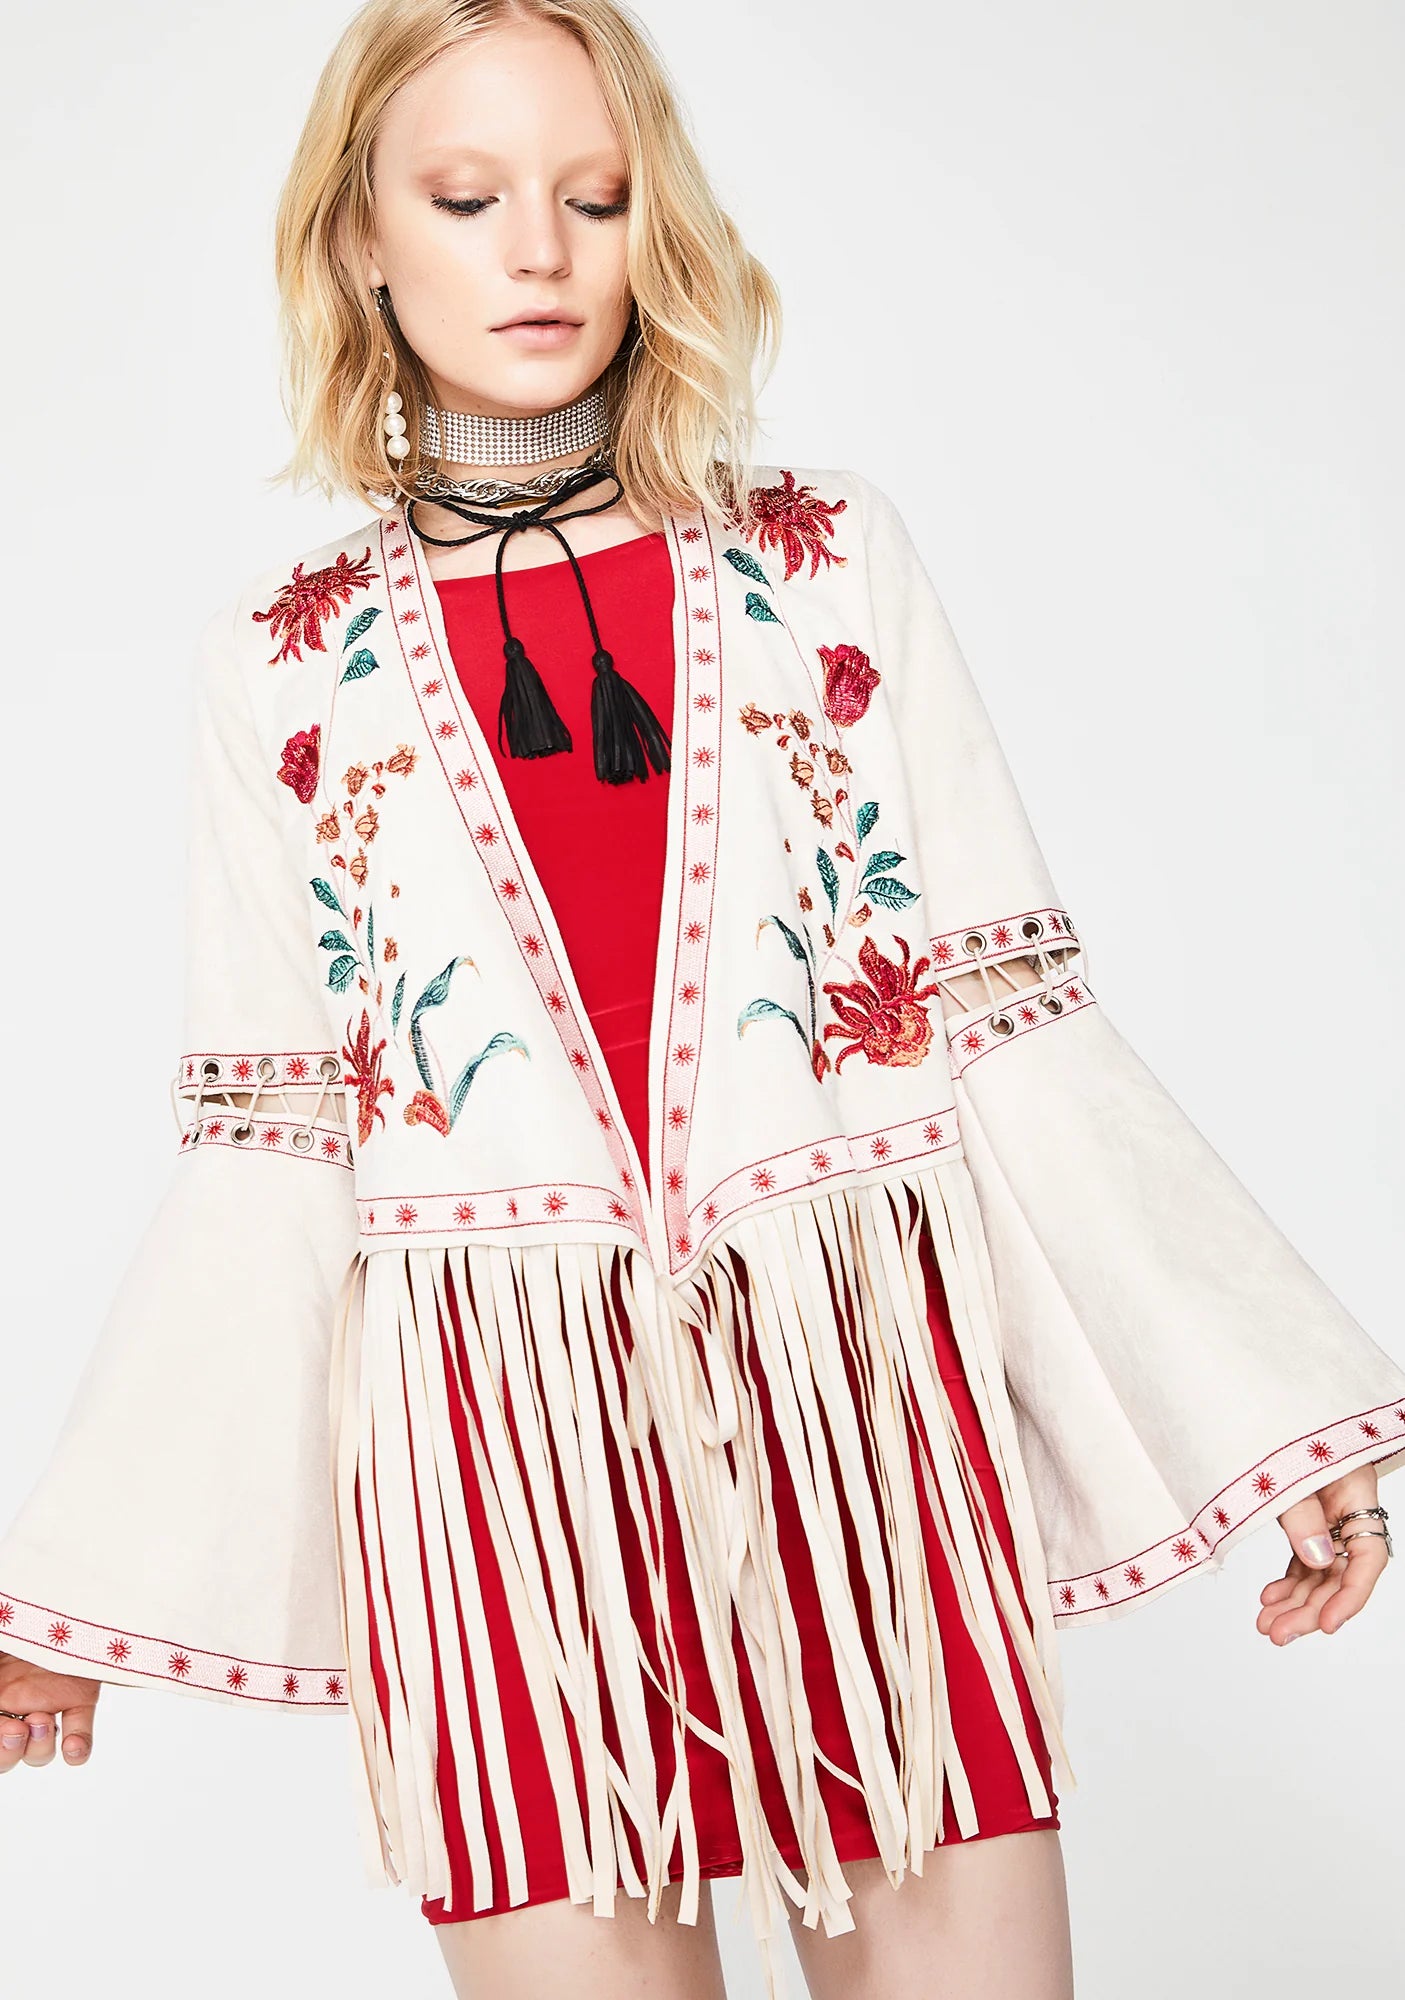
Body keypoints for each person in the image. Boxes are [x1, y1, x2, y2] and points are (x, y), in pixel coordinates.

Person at [2, 6, 1400, 2000]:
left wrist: (1269, 1409)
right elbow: (273, 1146)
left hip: (856, 1440)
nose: (540, 251)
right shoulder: (284, 661)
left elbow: (1007, 1023)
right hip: (500, 1480)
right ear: (359, 240)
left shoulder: (821, 561)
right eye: (466, 199)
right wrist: (78, 1588)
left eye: (594, 196)